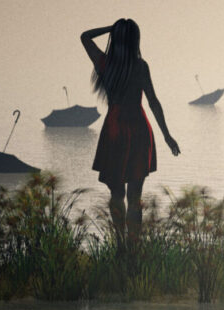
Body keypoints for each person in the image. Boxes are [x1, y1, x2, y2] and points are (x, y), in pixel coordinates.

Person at [81, 18, 180, 241]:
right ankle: (134, 245)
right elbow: (153, 102)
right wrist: (166, 135)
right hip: (138, 129)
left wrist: (111, 29)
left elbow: (85, 37)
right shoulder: (140, 66)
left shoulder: (105, 64)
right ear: (136, 40)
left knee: (117, 194)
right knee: (135, 196)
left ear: (115, 39)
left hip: (114, 128)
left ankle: (120, 246)